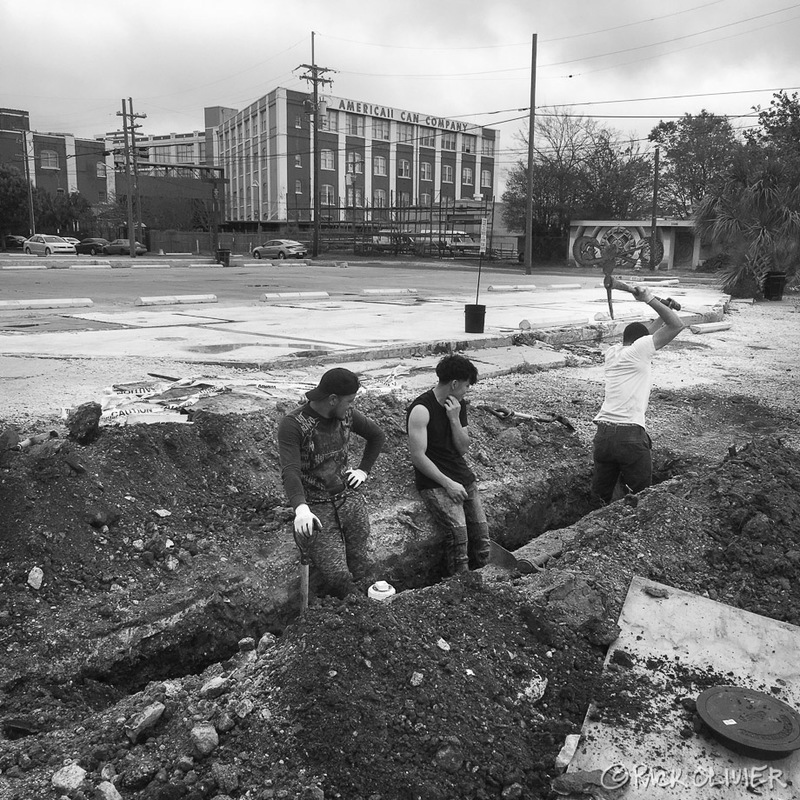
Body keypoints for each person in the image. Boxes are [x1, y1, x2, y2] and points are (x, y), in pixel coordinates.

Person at [277, 368, 385, 598]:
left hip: (348, 499)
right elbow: (291, 470)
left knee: (363, 566)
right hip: (318, 507)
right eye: (349, 401)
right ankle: (356, 612)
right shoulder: (294, 424)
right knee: (338, 576)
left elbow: (377, 435)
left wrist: (363, 470)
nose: (351, 406)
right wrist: (301, 508)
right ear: (333, 399)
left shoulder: (346, 416)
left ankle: (375, 611)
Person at [591, 284, 684, 504]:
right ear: (641, 342)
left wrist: (663, 309)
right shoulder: (640, 350)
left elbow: (645, 335)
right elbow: (676, 325)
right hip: (630, 436)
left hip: (603, 436)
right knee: (643, 499)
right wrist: (650, 299)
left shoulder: (613, 353)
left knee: (600, 497)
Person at [406, 354, 491, 576]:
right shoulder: (421, 410)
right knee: (458, 538)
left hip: (461, 476)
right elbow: (418, 456)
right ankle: (460, 585)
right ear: (454, 384)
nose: (466, 391)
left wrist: (454, 419)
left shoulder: (458, 406)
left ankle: (488, 583)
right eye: (465, 386)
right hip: (435, 481)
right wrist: (448, 483)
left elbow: (463, 448)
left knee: (482, 538)